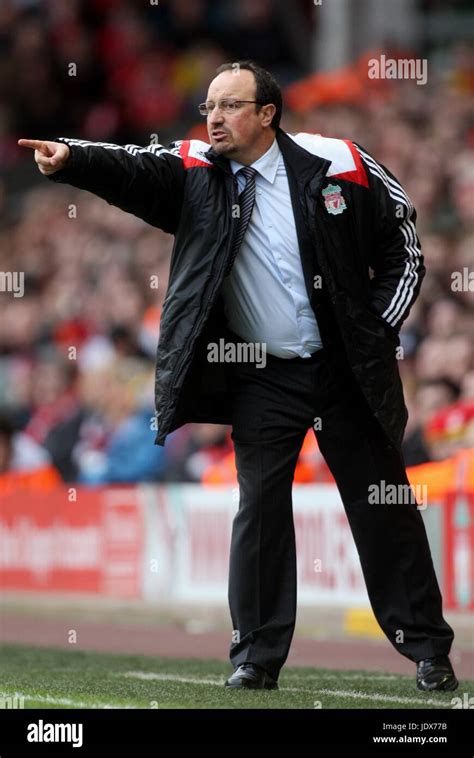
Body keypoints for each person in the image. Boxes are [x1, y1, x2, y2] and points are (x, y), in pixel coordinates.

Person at [18, 60, 458, 692]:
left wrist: (378, 332)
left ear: (267, 114)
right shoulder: (196, 170)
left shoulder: (338, 162)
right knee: (259, 508)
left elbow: (403, 241)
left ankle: (427, 650)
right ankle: (254, 656)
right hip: (261, 374)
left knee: (382, 504)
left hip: (344, 369)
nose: (213, 118)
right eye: (208, 106)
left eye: (228, 106)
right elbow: (134, 166)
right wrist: (72, 157)